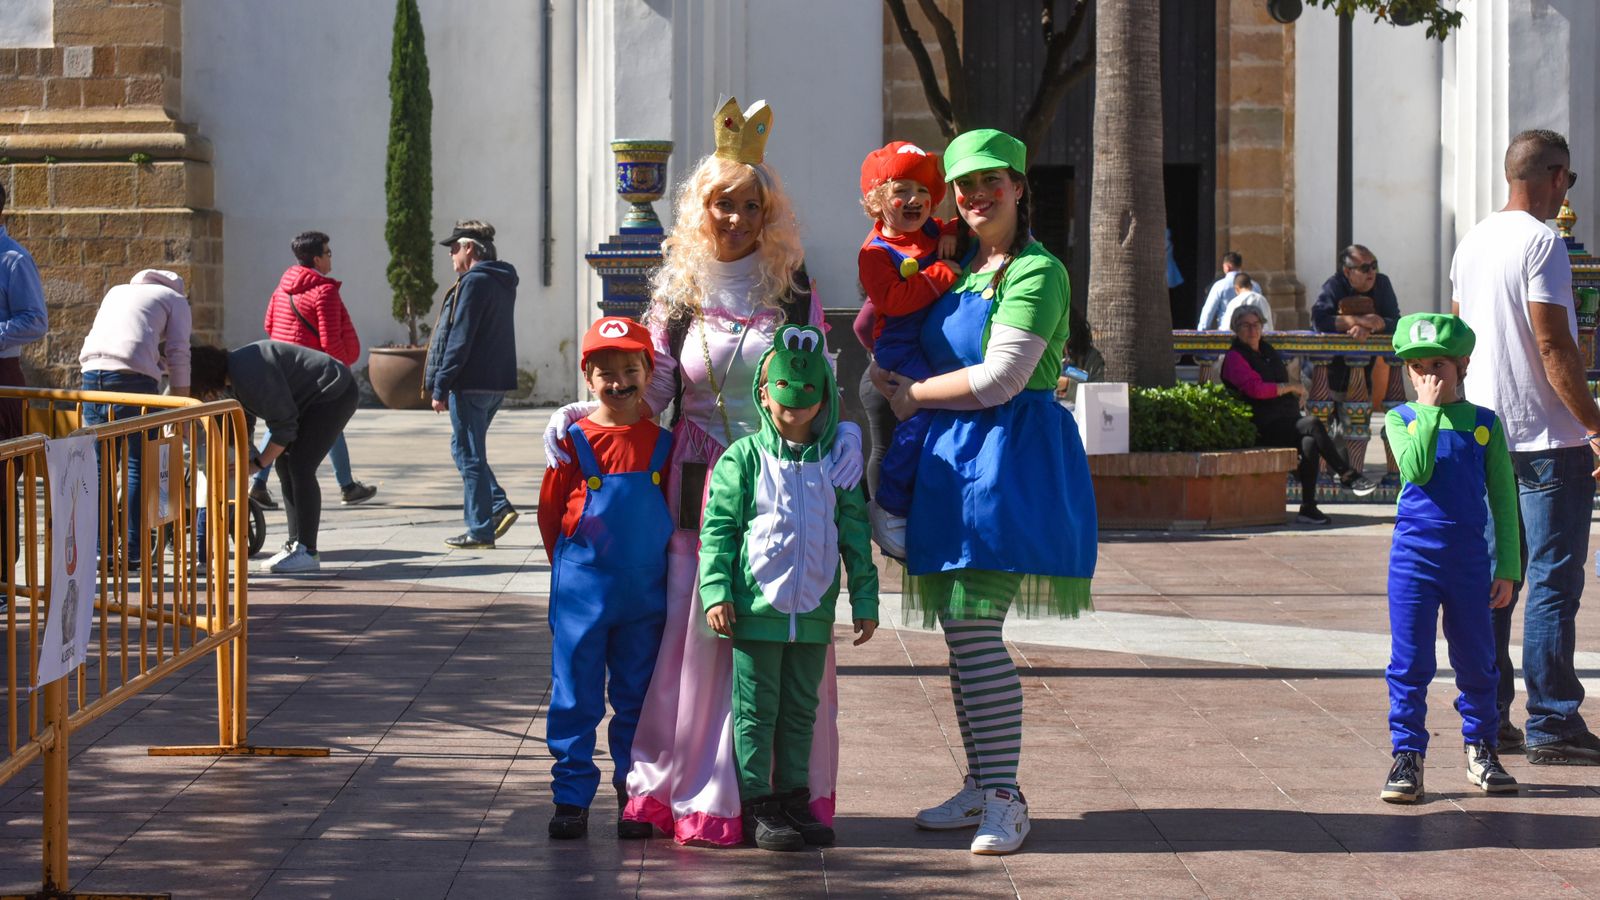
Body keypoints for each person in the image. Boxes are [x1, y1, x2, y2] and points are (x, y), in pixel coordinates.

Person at [543, 98, 863, 846]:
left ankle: (780, 791)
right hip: (696, 481)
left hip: (784, 479)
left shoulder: (791, 290)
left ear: (767, 212)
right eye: (725, 203)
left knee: (781, 630)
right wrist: (582, 412)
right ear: (702, 207)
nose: (739, 217)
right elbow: (650, 391)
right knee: (701, 635)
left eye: (753, 205)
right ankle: (701, 790)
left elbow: (812, 380)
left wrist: (843, 428)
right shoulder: (679, 298)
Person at [881, 129, 1096, 856]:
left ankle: (1006, 794)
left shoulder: (1036, 272)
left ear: (1019, 187)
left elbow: (1003, 376)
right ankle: (981, 782)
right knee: (959, 636)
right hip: (950, 465)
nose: (975, 197)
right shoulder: (962, 269)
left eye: (990, 183)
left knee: (974, 630)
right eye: (964, 186)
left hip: (1008, 462)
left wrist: (910, 395)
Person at [700, 324, 878, 851]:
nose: (795, 403)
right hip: (756, 611)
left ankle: (795, 798)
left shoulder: (835, 465)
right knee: (756, 709)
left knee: (802, 709)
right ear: (763, 391)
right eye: (784, 390)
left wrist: (864, 599)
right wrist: (717, 591)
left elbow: (854, 535)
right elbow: (719, 529)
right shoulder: (742, 458)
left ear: (823, 396)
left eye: (808, 392)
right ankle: (759, 804)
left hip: (814, 613)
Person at [1453, 128, 1600, 764]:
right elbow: (1554, 345)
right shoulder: (1544, 244)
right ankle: (1554, 722)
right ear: (1555, 177)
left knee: (1496, 581)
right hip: (1546, 437)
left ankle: (1491, 716)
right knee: (1550, 583)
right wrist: (1595, 425)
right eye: (1567, 180)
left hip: (1486, 434)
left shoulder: (1473, 240)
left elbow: (1457, 338)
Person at [538, 317, 673, 841]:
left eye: (630, 369)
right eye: (605, 372)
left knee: (636, 695)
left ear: (648, 371)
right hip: (582, 590)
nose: (618, 382)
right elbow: (551, 512)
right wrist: (571, 571)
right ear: (587, 377)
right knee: (575, 695)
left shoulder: (665, 442)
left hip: (644, 595)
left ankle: (632, 794)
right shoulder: (570, 441)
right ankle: (570, 797)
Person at [1380, 313, 1519, 803]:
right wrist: (1429, 411)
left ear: (1463, 364)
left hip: (1468, 562)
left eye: (1438, 364)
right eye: (1417, 368)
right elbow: (1416, 470)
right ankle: (1407, 756)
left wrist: (1508, 567)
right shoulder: (1402, 419)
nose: (1428, 377)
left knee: (1479, 661)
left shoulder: (1484, 424)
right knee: (1410, 661)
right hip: (1414, 559)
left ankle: (1481, 746)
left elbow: (1503, 498)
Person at [854, 140, 959, 558]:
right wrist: (938, 274)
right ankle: (890, 506)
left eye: (922, 190)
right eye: (901, 190)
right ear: (879, 200)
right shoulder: (874, 253)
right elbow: (893, 302)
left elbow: (956, 224)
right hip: (899, 346)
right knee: (919, 414)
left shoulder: (932, 230)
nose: (914, 199)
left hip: (924, 343)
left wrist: (951, 232)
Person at [190, 341, 359, 574]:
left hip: (333, 392)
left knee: (300, 465)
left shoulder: (248, 375)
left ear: (207, 380)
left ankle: (308, 551)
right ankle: (295, 544)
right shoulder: (232, 376)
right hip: (310, 398)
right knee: (285, 463)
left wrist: (256, 465)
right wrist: (242, 455)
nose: (206, 395)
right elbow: (244, 417)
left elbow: (284, 426)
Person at [252, 231, 378, 509]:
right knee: (329, 422)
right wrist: (340, 374)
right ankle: (346, 486)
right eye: (328, 253)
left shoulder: (281, 287)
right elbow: (330, 339)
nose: (331, 258)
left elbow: (269, 325)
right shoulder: (324, 291)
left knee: (281, 422)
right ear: (317, 258)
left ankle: (259, 484)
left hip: (282, 370)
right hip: (314, 373)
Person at [1220, 305, 1377, 526]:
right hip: (1260, 424)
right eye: (1245, 325)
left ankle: (1308, 508)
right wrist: (1289, 387)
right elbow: (1255, 389)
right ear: (1236, 329)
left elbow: (1282, 383)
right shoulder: (1235, 357)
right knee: (1312, 422)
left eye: (1256, 325)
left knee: (1310, 442)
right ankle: (1347, 473)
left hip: (1283, 421)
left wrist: (1294, 392)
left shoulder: (1267, 351)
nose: (1252, 330)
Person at [78, 269, 192, 569]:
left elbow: (127, 337)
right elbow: (179, 351)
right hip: (134, 381)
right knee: (138, 465)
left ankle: (100, 549)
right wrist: (183, 402)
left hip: (91, 375)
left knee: (100, 467)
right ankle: (132, 550)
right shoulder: (176, 299)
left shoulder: (117, 290)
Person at [425, 220, 520, 550]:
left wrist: (440, 385)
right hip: (496, 381)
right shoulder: (502, 280)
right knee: (464, 449)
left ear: (469, 248)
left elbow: (459, 338)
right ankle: (496, 506)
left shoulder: (474, 283)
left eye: (454, 248)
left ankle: (480, 530)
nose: (451, 255)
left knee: (469, 454)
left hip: (471, 382)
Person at [1311, 244, 1400, 395]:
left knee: (1359, 417)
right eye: (1364, 268)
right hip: (1325, 375)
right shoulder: (1334, 285)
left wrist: (1372, 326)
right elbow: (1319, 321)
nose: (1371, 272)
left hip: (1362, 376)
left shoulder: (1382, 283)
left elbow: (1397, 322)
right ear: (1347, 271)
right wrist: (1359, 320)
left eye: (1374, 266)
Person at [1196, 251, 1259, 330]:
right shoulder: (1255, 286)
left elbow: (1208, 311)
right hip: (1251, 331)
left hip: (1227, 331)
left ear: (1227, 267)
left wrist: (1201, 331)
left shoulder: (1219, 286)